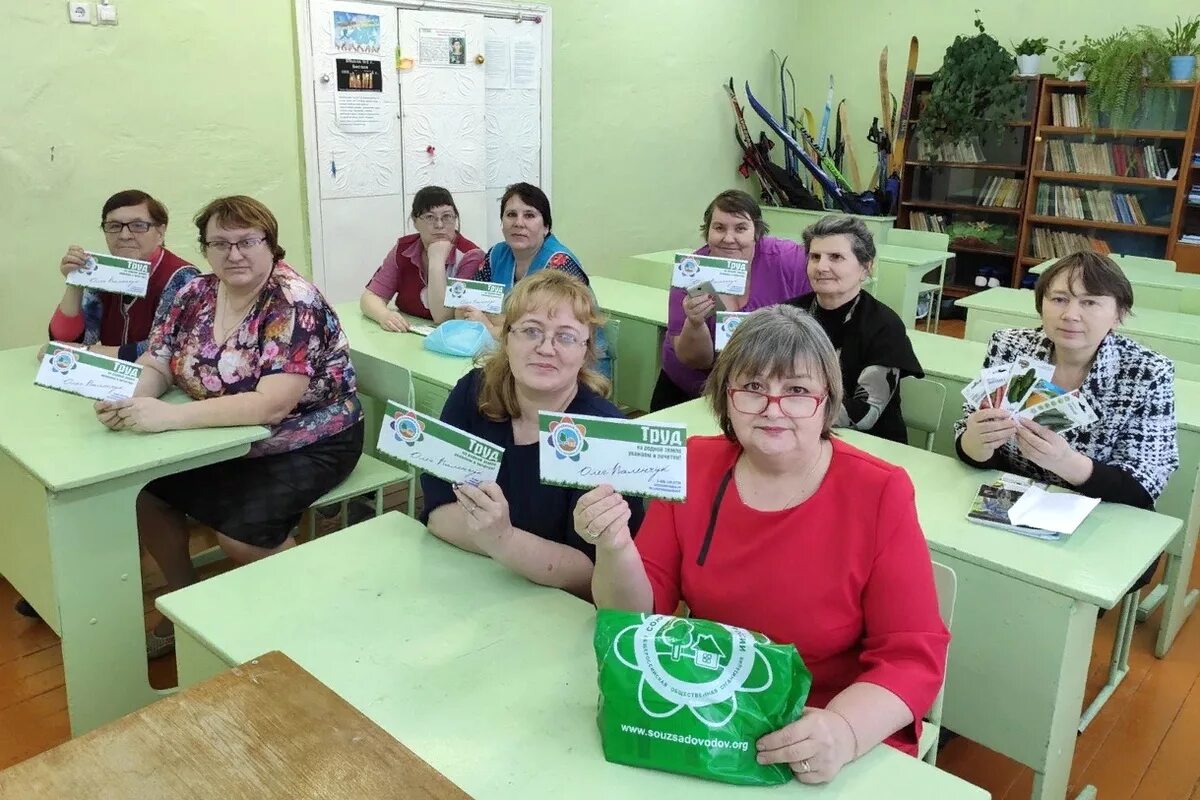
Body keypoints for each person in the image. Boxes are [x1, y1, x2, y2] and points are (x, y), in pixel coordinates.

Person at [579, 305, 949, 783]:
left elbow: (912, 654)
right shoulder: (693, 464)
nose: (773, 409)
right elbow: (637, 616)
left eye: (796, 391)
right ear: (726, 397)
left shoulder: (879, 491)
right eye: (753, 387)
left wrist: (843, 730)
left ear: (828, 399)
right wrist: (613, 548)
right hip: (703, 712)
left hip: (820, 727)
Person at [94, 195, 364, 658]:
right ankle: (183, 599)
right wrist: (133, 399)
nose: (233, 254)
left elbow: (272, 406)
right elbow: (158, 360)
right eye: (219, 243)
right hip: (220, 435)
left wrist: (168, 418)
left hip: (308, 438)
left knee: (241, 534)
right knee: (147, 492)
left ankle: (310, 618)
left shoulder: (291, 302)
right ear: (204, 249)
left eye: (247, 241)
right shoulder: (192, 293)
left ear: (271, 245)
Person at [422, 270, 644, 598]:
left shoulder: (604, 435)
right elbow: (438, 513)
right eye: (530, 331)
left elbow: (591, 573)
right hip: (472, 584)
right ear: (505, 337)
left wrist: (503, 538)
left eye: (566, 337)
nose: (545, 348)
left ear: (586, 351)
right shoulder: (473, 391)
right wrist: (511, 547)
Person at [955, 251, 1179, 576]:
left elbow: (1144, 485)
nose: (1070, 314)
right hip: (1010, 502)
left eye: (1089, 303)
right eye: (1059, 299)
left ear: (1118, 314)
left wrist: (1066, 463)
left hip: (1104, 518)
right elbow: (972, 444)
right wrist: (974, 443)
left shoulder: (1147, 372)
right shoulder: (1009, 347)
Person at [651, 189, 812, 410]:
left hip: (760, 392)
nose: (728, 238)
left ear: (757, 232)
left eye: (740, 228)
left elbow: (822, 260)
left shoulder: (784, 259)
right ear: (707, 231)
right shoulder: (693, 271)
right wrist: (695, 322)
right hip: (693, 389)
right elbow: (695, 360)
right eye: (719, 228)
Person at [785, 215, 923, 443]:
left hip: (871, 446)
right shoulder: (788, 314)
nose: (821, 267)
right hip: (800, 437)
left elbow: (864, 413)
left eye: (836, 257)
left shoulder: (885, 326)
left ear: (865, 267)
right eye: (815, 256)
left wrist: (784, 409)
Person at [47, 189, 200, 361]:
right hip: (108, 380)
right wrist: (75, 281)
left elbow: (166, 348)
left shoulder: (183, 278)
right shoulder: (101, 272)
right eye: (114, 226)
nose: (124, 235)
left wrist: (87, 352)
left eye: (138, 225)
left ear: (160, 232)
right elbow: (66, 341)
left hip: (161, 383)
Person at [360, 186, 485, 331]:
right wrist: (384, 315)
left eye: (447, 216)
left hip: (449, 339)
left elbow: (443, 318)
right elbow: (370, 297)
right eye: (429, 217)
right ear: (415, 221)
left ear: (455, 218)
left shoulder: (471, 256)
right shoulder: (403, 249)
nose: (439, 225)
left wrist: (436, 260)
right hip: (405, 335)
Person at [472, 182, 589, 336]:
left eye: (529, 215)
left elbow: (543, 330)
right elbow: (469, 307)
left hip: (567, 351)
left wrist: (490, 326)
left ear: (546, 227)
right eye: (511, 215)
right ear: (502, 222)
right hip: (506, 348)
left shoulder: (559, 264)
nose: (518, 223)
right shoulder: (496, 254)